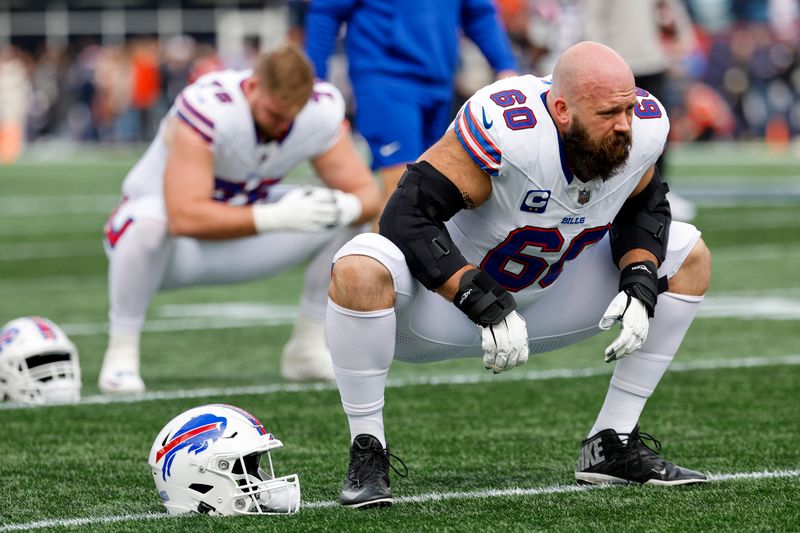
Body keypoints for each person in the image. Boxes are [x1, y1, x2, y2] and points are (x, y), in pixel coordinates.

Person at [326, 41, 712, 508]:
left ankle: (612, 444)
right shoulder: (511, 131)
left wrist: (639, 276)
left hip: (548, 299)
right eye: (610, 113)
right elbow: (405, 216)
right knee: (359, 264)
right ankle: (368, 452)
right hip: (441, 310)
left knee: (687, 251)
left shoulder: (643, 125)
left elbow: (645, 203)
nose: (625, 124)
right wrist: (475, 295)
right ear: (563, 109)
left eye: (629, 108)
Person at [98, 44, 380, 395]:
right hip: (166, 247)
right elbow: (185, 216)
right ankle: (121, 353)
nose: (281, 126)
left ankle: (307, 347)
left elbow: (367, 195)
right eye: (273, 113)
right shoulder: (209, 107)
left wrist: (347, 209)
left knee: (341, 214)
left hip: (242, 232)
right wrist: (274, 216)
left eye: (290, 117)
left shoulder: (318, 111)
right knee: (149, 226)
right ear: (252, 87)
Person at [304, 0, 519, 220]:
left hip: (439, 83)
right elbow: (326, 10)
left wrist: (505, 65)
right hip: (385, 79)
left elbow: (478, 13)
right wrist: (315, 79)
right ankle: (370, 253)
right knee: (402, 196)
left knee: (432, 197)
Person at [583, 0, 698, 221]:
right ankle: (606, 191)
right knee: (610, 129)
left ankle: (659, 190)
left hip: (652, 61)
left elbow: (671, 9)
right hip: (618, 62)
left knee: (658, 131)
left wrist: (682, 40)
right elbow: (594, 17)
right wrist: (598, 58)